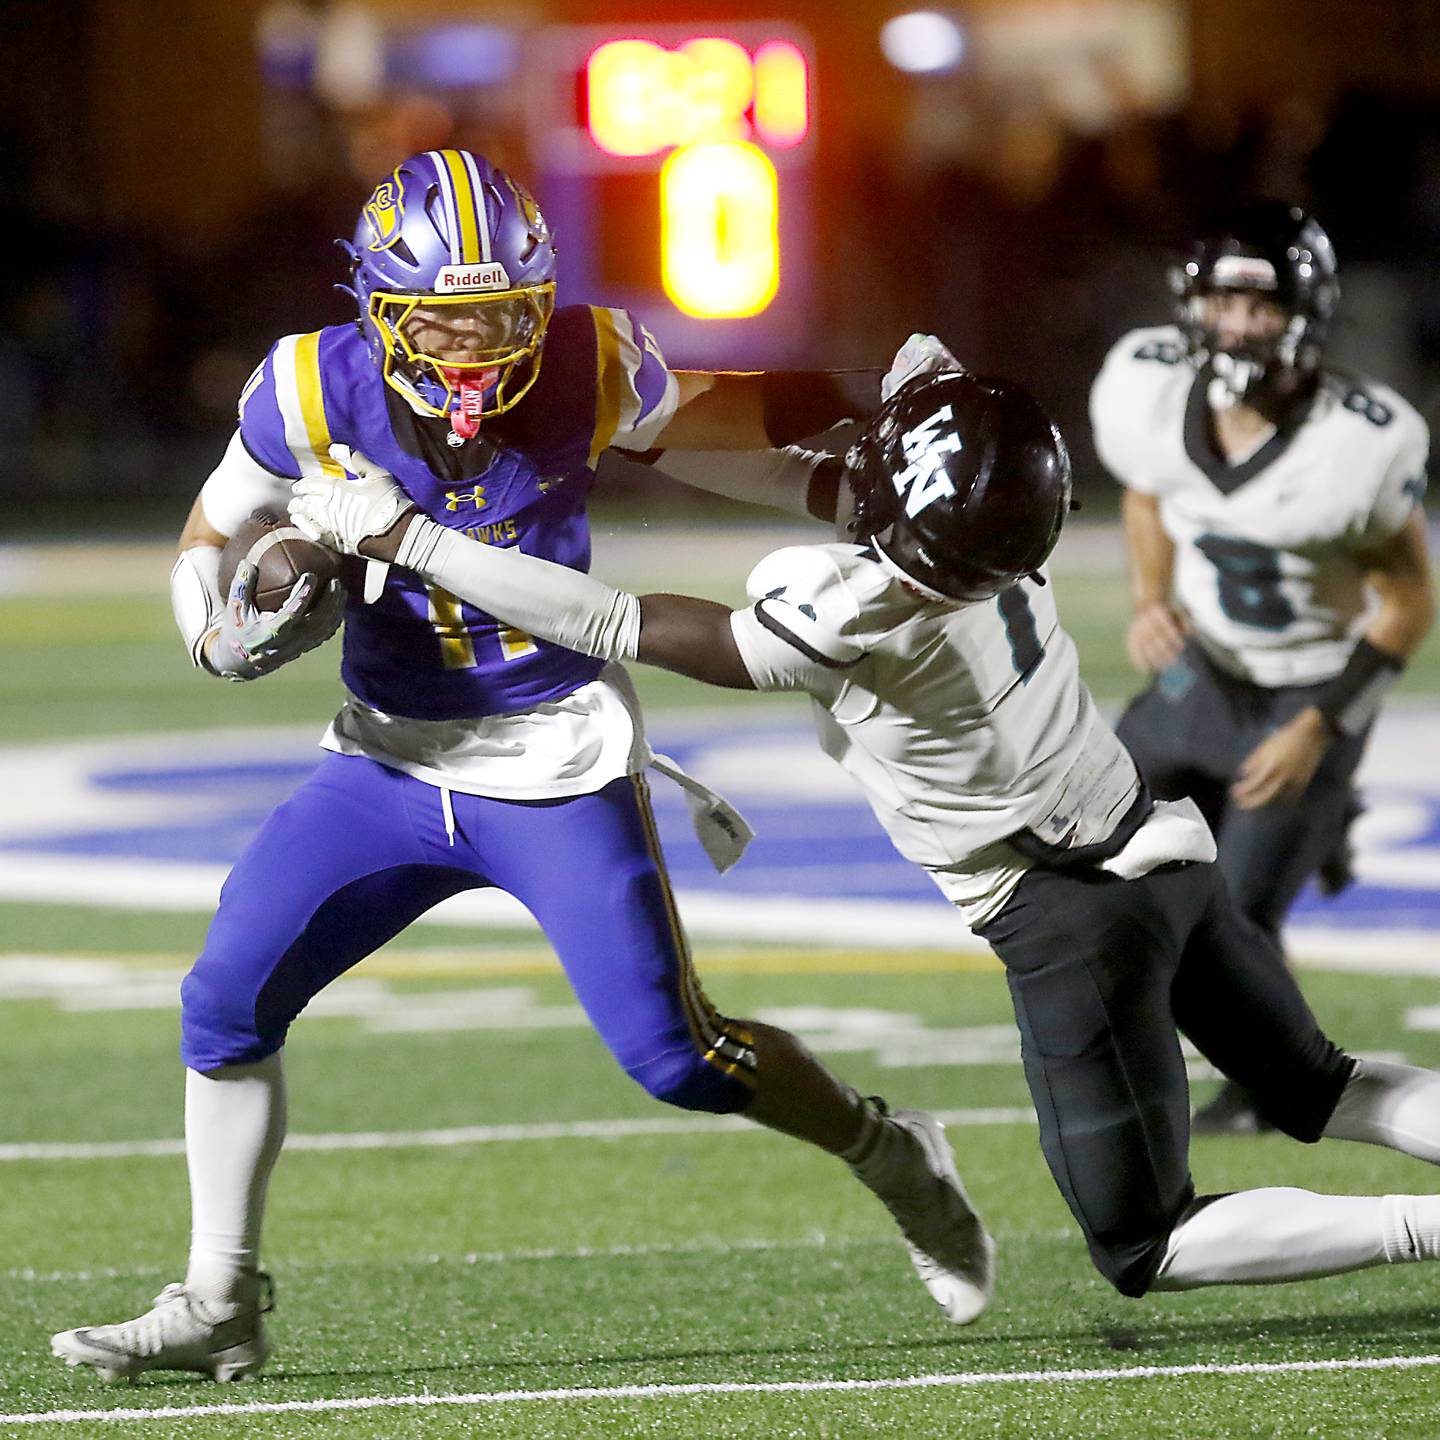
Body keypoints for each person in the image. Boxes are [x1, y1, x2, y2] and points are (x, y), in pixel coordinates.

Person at [50, 152, 994, 1384]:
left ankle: (889, 1151)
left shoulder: (587, 360)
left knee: (677, 1061)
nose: (477, 348)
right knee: (222, 1006)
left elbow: (717, 418)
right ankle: (220, 1299)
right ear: (379, 310)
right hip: (390, 758)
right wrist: (211, 628)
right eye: (446, 320)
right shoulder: (307, 386)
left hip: (554, 756)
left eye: (503, 316)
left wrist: (875, 405)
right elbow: (213, 525)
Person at [287, 359, 1440, 1306]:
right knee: (1322, 1085)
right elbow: (843, 466)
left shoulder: (862, 609)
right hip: (1162, 848)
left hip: (1070, 917)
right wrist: (628, 431)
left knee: (1144, 1243)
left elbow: (612, 619)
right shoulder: (995, 520)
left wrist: (413, 539)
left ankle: (1423, 1231)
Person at [1090, 201, 1434, 1133]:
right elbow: (1148, 493)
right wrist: (1151, 599)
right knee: (1094, 816)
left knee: (1237, 916)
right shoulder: (1149, 390)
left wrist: (1319, 727)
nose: (1239, 326)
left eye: (1262, 306)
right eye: (1224, 302)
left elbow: (1409, 599)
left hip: (1309, 688)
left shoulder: (1358, 441)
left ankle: (1266, 1082)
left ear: (1305, 315)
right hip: (1200, 669)